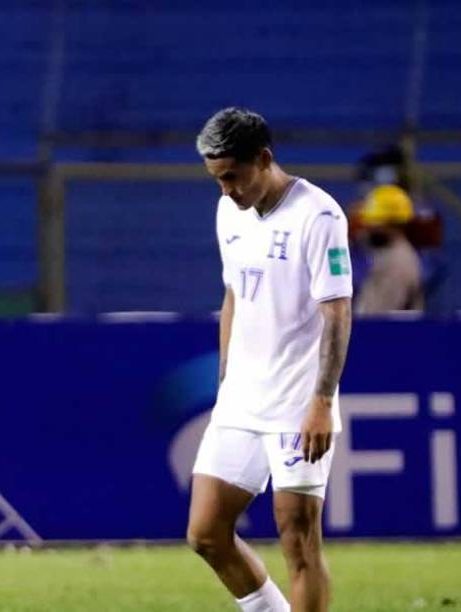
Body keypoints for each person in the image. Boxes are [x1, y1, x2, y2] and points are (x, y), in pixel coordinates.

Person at [186, 108, 353, 612]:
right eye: (217, 180)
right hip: (241, 400)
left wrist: (321, 402)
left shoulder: (319, 216)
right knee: (206, 533)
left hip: (296, 404)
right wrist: (225, 381)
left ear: (264, 159)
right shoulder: (228, 212)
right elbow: (234, 296)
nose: (225, 191)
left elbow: (337, 312)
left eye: (232, 177)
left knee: (298, 540)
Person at [354, 185, 424, 314]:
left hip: (385, 332)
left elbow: (375, 318)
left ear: (393, 225)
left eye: (376, 224)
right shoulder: (384, 251)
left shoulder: (397, 263)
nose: (369, 228)